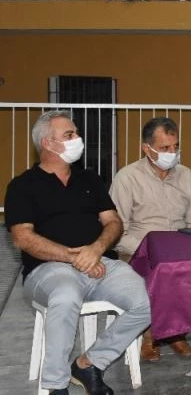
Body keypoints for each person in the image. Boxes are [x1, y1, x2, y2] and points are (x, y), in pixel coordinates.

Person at [4, 110, 151, 395]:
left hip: (100, 262)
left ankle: (89, 363)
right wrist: (75, 258)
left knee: (149, 300)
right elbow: (23, 238)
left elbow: (113, 222)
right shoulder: (23, 185)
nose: (78, 139)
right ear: (47, 143)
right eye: (69, 134)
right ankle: (56, 384)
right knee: (65, 296)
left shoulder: (89, 179)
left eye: (76, 133)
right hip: (48, 269)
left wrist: (96, 249)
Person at [110, 117, 191, 361]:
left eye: (175, 146)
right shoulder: (127, 178)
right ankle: (149, 335)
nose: (172, 153)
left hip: (179, 249)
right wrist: (147, 249)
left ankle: (176, 332)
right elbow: (116, 230)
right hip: (138, 251)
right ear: (147, 148)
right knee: (156, 272)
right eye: (164, 148)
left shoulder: (186, 175)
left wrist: (190, 247)